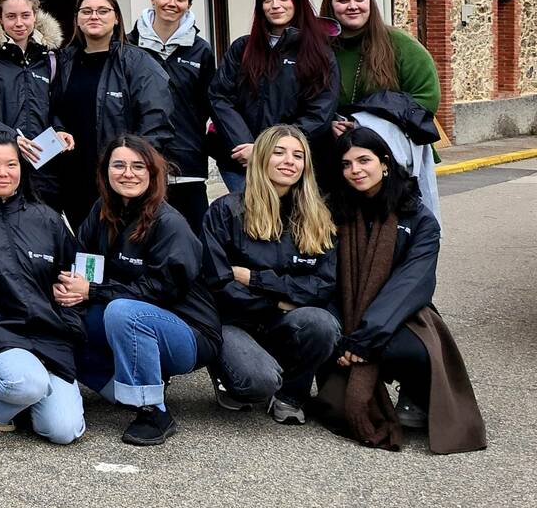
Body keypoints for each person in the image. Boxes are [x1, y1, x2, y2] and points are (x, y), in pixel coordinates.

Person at [319, 128, 485, 454]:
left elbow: (411, 283)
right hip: (345, 310)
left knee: (410, 351)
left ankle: (416, 395)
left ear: (384, 163)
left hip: (402, 312)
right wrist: (342, 331)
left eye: (364, 160)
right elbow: (324, 278)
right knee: (330, 357)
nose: (356, 170)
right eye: (347, 164)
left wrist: (366, 338)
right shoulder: (332, 213)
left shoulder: (418, 217)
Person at [55, 135, 220, 446]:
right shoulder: (100, 212)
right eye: (118, 165)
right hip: (131, 319)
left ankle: (153, 411)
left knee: (123, 312)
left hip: (187, 332)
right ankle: (126, 390)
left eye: (137, 166)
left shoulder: (170, 223)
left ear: (152, 173)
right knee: (63, 322)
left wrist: (92, 291)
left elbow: (161, 292)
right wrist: (70, 290)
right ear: (105, 173)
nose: (127, 173)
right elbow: (85, 268)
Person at [0, 132, 85, 444]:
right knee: (27, 383)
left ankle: (23, 400)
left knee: (63, 430)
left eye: (11, 164)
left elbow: (71, 276)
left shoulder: (48, 218)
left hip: (50, 336)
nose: (3, 172)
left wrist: (71, 322)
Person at [202, 125, 340, 426]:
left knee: (322, 323)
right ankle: (230, 372)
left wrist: (254, 279)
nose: (289, 161)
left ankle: (290, 395)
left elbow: (322, 286)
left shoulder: (319, 217)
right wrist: (279, 302)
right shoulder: (226, 211)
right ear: (261, 157)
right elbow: (219, 282)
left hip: (285, 322)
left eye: (298, 155)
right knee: (257, 382)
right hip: (235, 323)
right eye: (279, 152)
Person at [40, 0, 171, 226]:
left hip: (117, 178)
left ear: (117, 18)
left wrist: (131, 165)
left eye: (103, 11)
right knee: (85, 249)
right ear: (77, 19)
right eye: (87, 11)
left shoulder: (137, 63)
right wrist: (57, 128)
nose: (94, 16)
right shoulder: (62, 61)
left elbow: (156, 120)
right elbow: (51, 108)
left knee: (117, 245)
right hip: (72, 177)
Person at [210, 0, 339, 192]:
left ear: (297, 1)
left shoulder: (319, 53)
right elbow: (220, 97)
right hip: (242, 162)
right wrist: (248, 149)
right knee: (248, 224)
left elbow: (319, 113)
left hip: (292, 164)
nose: (275, 5)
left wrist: (268, 150)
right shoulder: (242, 48)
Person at [319, 0, 441, 205]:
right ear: (330, 6)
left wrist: (365, 126)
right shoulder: (317, 49)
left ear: (370, 3)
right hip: (335, 157)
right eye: (343, 0)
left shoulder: (401, 45)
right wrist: (328, 124)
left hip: (392, 159)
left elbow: (426, 99)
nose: (353, 6)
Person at [129, 0, 217, 234]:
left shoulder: (201, 51)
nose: (172, 3)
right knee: (141, 234)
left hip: (187, 160)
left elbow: (207, 104)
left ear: (188, 5)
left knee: (194, 235)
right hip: (138, 159)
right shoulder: (127, 45)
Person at [0, 0, 64, 142]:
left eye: (25, 15)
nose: (19, 23)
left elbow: (56, 109)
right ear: (0, 19)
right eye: (11, 16)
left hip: (42, 157)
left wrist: (59, 129)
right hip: (0, 155)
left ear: (35, 16)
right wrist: (12, 138)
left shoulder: (50, 59)